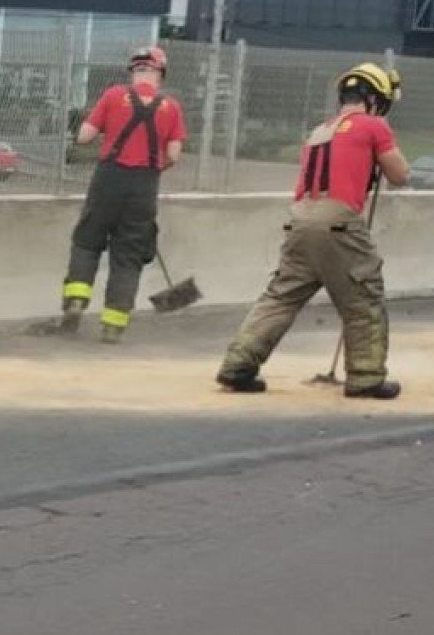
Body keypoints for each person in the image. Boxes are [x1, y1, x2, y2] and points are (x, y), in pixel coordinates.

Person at [217, 62, 410, 399]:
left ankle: (238, 366)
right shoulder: (373, 125)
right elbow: (400, 175)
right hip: (338, 222)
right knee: (363, 297)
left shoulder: (320, 130)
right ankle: (366, 376)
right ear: (374, 99)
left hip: (300, 219)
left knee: (280, 297)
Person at [59, 45, 187, 343]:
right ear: (160, 74)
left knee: (87, 241)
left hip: (109, 179)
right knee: (128, 256)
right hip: (144, 186)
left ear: (133, 71)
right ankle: (113, 325)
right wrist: (152, 169)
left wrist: (106, 130)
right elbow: (174, 154)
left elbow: (84, 137)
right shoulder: (171, 106)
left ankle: (76, 300)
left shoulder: (114, 96)